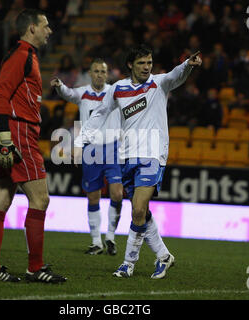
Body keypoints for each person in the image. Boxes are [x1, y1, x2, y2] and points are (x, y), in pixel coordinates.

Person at [74, 45, 201, 279]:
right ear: (130, 65)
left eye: (150, 63)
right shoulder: (118, 89)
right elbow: (100, 113)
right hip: (127, 156)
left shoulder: (158, 83)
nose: (147, 67)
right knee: (140, 211)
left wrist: (187, 66)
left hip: (153, 155)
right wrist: (81, 140)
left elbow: (176, 75)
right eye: (142, 63)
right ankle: (164, 256)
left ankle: (128, 263)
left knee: (139, 208)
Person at [0, 8, 66, 283]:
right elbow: (0, 94)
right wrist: (6, 137)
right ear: (31, 28)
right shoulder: (22, 56)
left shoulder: (24, 55)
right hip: (17, 131)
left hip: (12, 130)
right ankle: (35, 267)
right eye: (46, 25)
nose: (49, 30)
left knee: (1, 200)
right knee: (40, 199)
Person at [51, 58, 124, 256]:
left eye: (103, 71)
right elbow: (68, 93)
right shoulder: (83, 93)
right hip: (90, 150)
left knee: (117, 193)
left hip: (112, 148)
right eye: (96, 71)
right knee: (93, 195)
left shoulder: (114, 92)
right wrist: (59, 86)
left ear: (107, 75)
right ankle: (96, 242)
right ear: (90, 74)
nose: (100, 74)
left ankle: (110, 236)